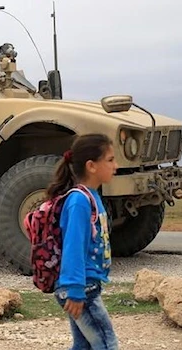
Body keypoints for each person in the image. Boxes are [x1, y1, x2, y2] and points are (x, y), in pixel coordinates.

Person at [48, 134, 119, 350]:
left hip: (85, 286)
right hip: (81, 289)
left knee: (84, 346)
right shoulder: (79, 201)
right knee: (107, 344)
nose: (116, 165)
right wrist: (76, 290)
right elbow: (73, 248)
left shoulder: (92, 197)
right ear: (91, 166)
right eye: (110, 159)